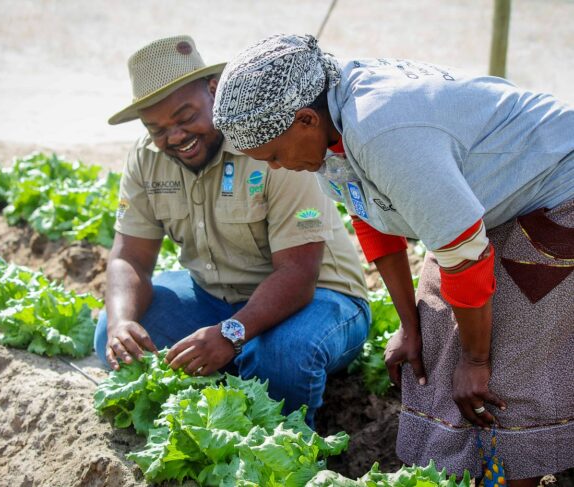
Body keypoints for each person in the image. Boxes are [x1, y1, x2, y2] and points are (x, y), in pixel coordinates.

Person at [212, 34, 574, 484]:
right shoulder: (329, 128)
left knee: (506, 368)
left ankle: (519, 470)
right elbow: (372, 219)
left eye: (273, 155)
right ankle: (464, 471)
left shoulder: (382, 128)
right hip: (495, 198)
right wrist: (409, 325)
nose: (277, 168)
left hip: (561, 190)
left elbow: (463, 255)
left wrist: (477, 361)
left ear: (305, 119)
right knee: (438, 338)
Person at [94, 35, 372, 427]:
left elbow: (298, 273)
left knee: (282, 358)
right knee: (114, 334)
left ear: (213, 91)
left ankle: (282, 416)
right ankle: (236, 376)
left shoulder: (269, 140)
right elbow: (129, 257)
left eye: (185, 116)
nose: (174, 136)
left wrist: (230, 334)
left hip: (319, 299)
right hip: (216, 300)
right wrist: (123, 323)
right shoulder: (146, 157)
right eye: (157, 128)